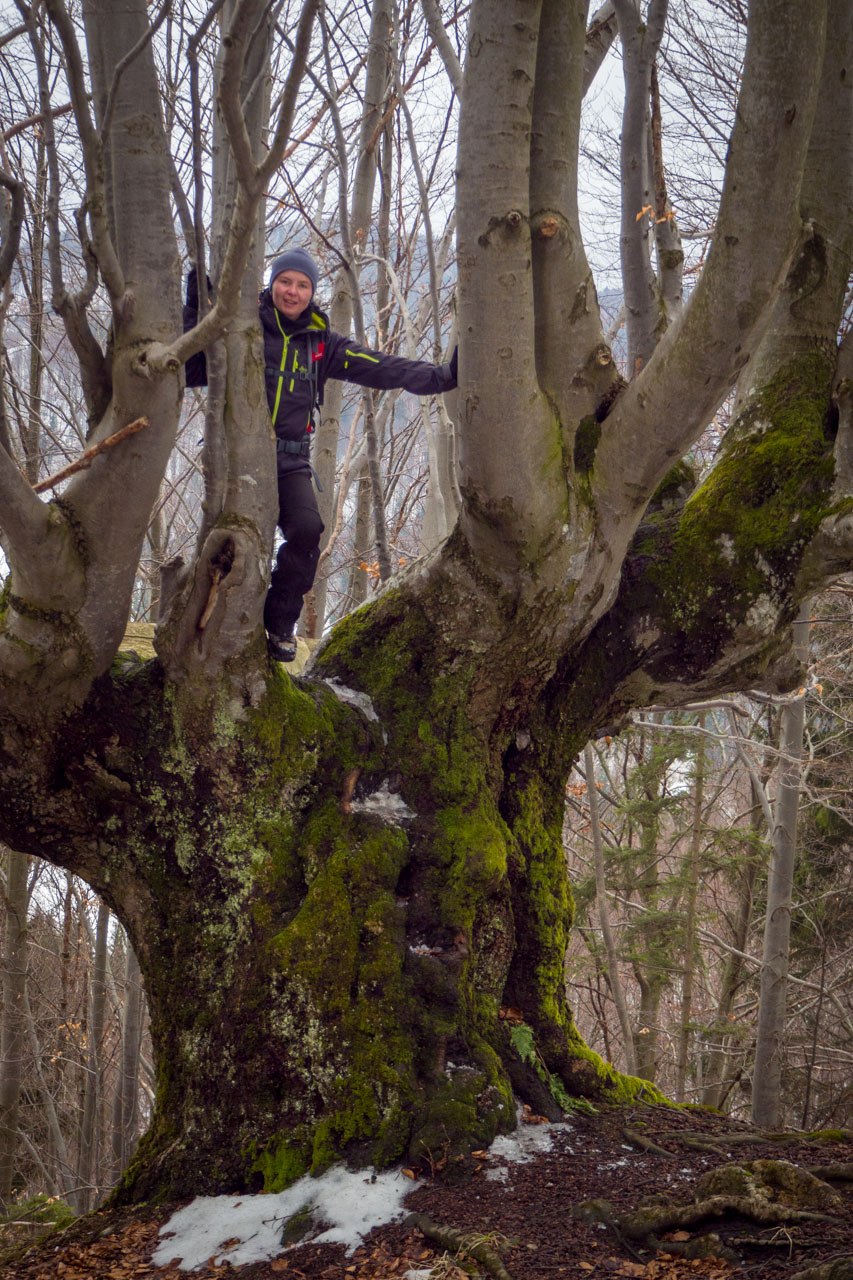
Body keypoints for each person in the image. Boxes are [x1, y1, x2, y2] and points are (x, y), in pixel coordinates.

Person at [185, 248, 457, 662]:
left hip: (291, 459)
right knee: (228, 543)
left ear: (312, 293)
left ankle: (278, 625)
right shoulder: (242, 328)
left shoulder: (320, 344)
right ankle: (197, 628)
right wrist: (195, 310)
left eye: (302, 285)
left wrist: (441, 378)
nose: (292, 291)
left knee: (309, 529)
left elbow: (379, 366)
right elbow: (189, 369)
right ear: (271, 284)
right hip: (236, 455)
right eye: (285, 282)